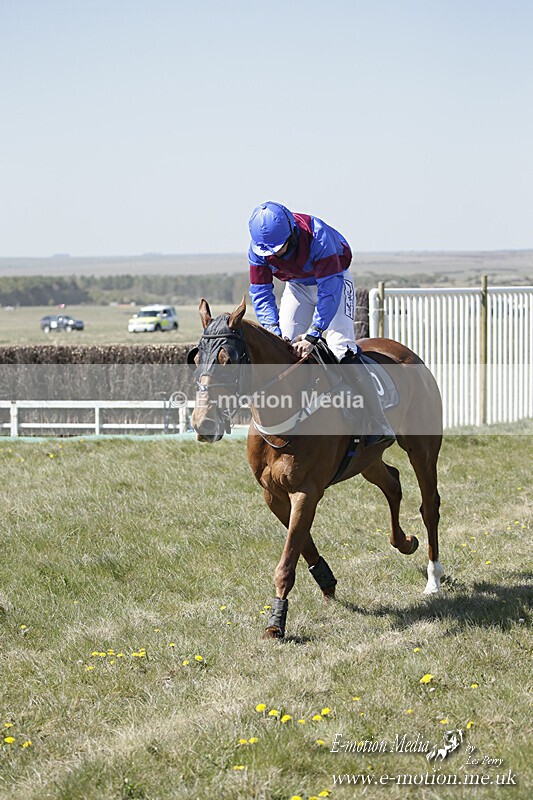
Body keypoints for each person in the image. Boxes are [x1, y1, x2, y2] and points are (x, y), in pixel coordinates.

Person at [248, 200, 395, 446]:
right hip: (296, 287)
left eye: (279, 248)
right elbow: (261, 293)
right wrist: (273, 331)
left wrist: (313, 335)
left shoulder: (318, 236)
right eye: (268, 252)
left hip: (333, 281)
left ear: (292, 234)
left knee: (339, 346)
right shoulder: (258, 248)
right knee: (281, 348)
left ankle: (378, 421)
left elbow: (329, 292)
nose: (273, 255)